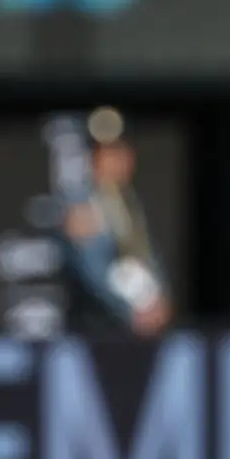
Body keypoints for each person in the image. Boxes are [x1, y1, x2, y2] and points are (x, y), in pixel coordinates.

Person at [58, 107, 171, 338]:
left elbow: (144, 254)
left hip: (137, 322)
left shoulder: (128, 200)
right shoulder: (83, 204)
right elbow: (93, 268)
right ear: (95, 159)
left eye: (120, 150)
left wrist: (160, 297)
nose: (119, 160)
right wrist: (129, 311)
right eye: (108, 153)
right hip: (100, 328)